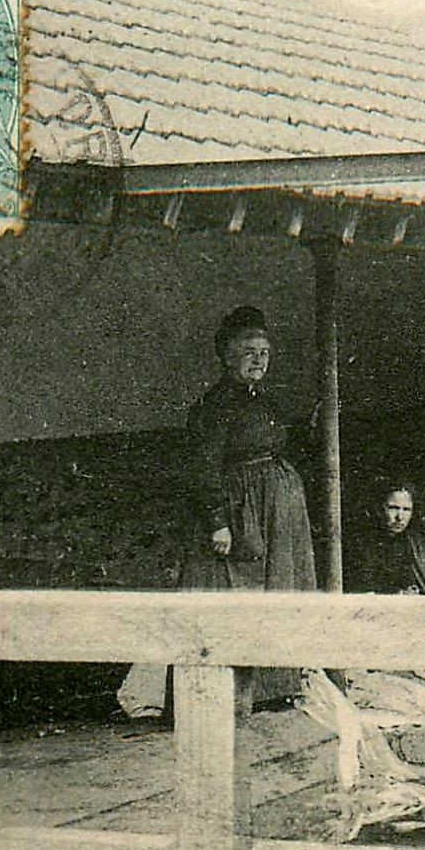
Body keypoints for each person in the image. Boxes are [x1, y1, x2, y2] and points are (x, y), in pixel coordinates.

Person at [118, 306, 316, 718]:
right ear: (227, 357)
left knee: (274, 591)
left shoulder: (263, 399)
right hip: (238, 511)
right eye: (248, 352)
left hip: (271, 511)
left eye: (264, 351)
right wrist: (218, 523)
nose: (258, 359)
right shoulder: (214, 406)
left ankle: (269, 690)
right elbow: (201, 467)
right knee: (228, 600)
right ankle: (212, 700)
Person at [351, 485, 425, 595]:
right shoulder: (363, 542)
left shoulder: (414, 543)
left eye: (406, 509)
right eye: (393, 508)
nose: (400, 517)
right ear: (379, 508)